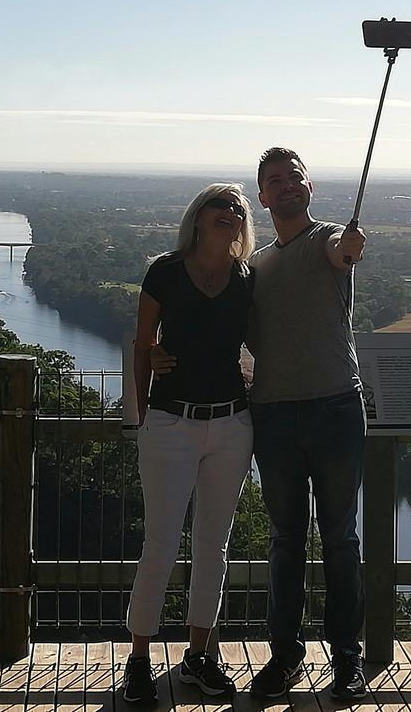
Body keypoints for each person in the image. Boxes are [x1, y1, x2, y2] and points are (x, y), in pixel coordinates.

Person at [153, 148, 370, 701]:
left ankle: (347, 659)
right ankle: (286, 656)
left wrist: (349, 248)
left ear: (309, 187)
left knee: (340, 539)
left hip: (334, 406)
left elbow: (341, 251)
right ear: (263, 197)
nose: (286, 186)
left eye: (293, 176)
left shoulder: (327, 240)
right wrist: (154, 352)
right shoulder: (255, 267)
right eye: (274, 181)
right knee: (286, 540)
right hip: (272, 412)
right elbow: (212, 325)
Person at [121, 183, 258, 705]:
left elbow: (264, 341)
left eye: (238, 209)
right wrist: (143, 413)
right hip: (170, 423)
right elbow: (142, 344)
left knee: (213, 548)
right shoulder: (165, 271)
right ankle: (139, 659)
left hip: (231, 425)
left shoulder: (246, 279)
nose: (229, 213)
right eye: (219, 206)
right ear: (198, 217)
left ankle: (199, 656)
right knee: (158, 545)